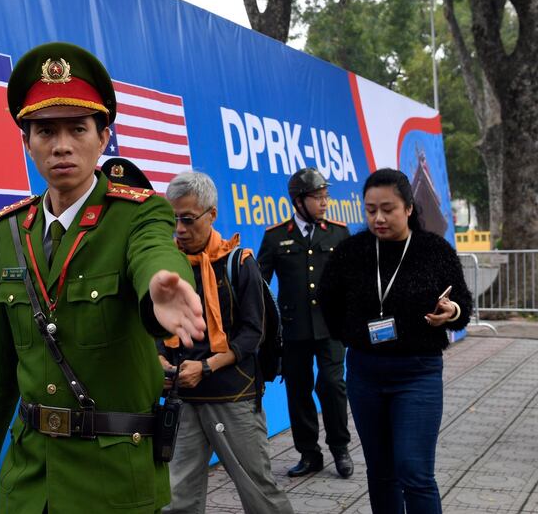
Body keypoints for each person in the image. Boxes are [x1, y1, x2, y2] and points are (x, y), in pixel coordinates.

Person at [0, 42, 206, 514]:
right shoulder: (8, 230)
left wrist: (158, 289)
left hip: (112, 481)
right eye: (45, 130)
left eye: (78, 128)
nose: (61, 145)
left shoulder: (139, 211)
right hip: (29, 481)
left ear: (103, 136)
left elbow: (153, 251)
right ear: (27, 141)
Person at [318, 168, 471, 514]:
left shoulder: (434, 250)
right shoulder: (351, 252)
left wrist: (452, 311)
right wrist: (354, 334)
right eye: (370, 210)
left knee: (414, 471)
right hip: (365, 374)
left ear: (409, 208)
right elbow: (328, 302)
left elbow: (463, 304)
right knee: (382, 473)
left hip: (417, 374)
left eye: (388, 209)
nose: (379, 218)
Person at [156, 172, 294, 514]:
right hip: (182, 398)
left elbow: (252, 334)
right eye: (173, 218)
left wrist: (206, 366)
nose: (180, 228)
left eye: (188, 219)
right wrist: (159, 360)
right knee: (176, 498)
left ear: (212, 214)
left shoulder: (238, 262)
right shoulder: (164, 265)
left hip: (232, 395)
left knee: (259, 491)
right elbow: (153, 328)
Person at [257, 168, 354, 478]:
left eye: (326, 196)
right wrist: (267, 329)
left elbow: (351, 281)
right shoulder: (275, 237)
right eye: (318, 197)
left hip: (331, 328)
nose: (325, 202)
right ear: (298, 201)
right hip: (294, 329)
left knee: (332, 384)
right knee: (298, 392)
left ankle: (340, 448)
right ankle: (309, 454)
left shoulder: (338, 233)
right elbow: (259, 283)